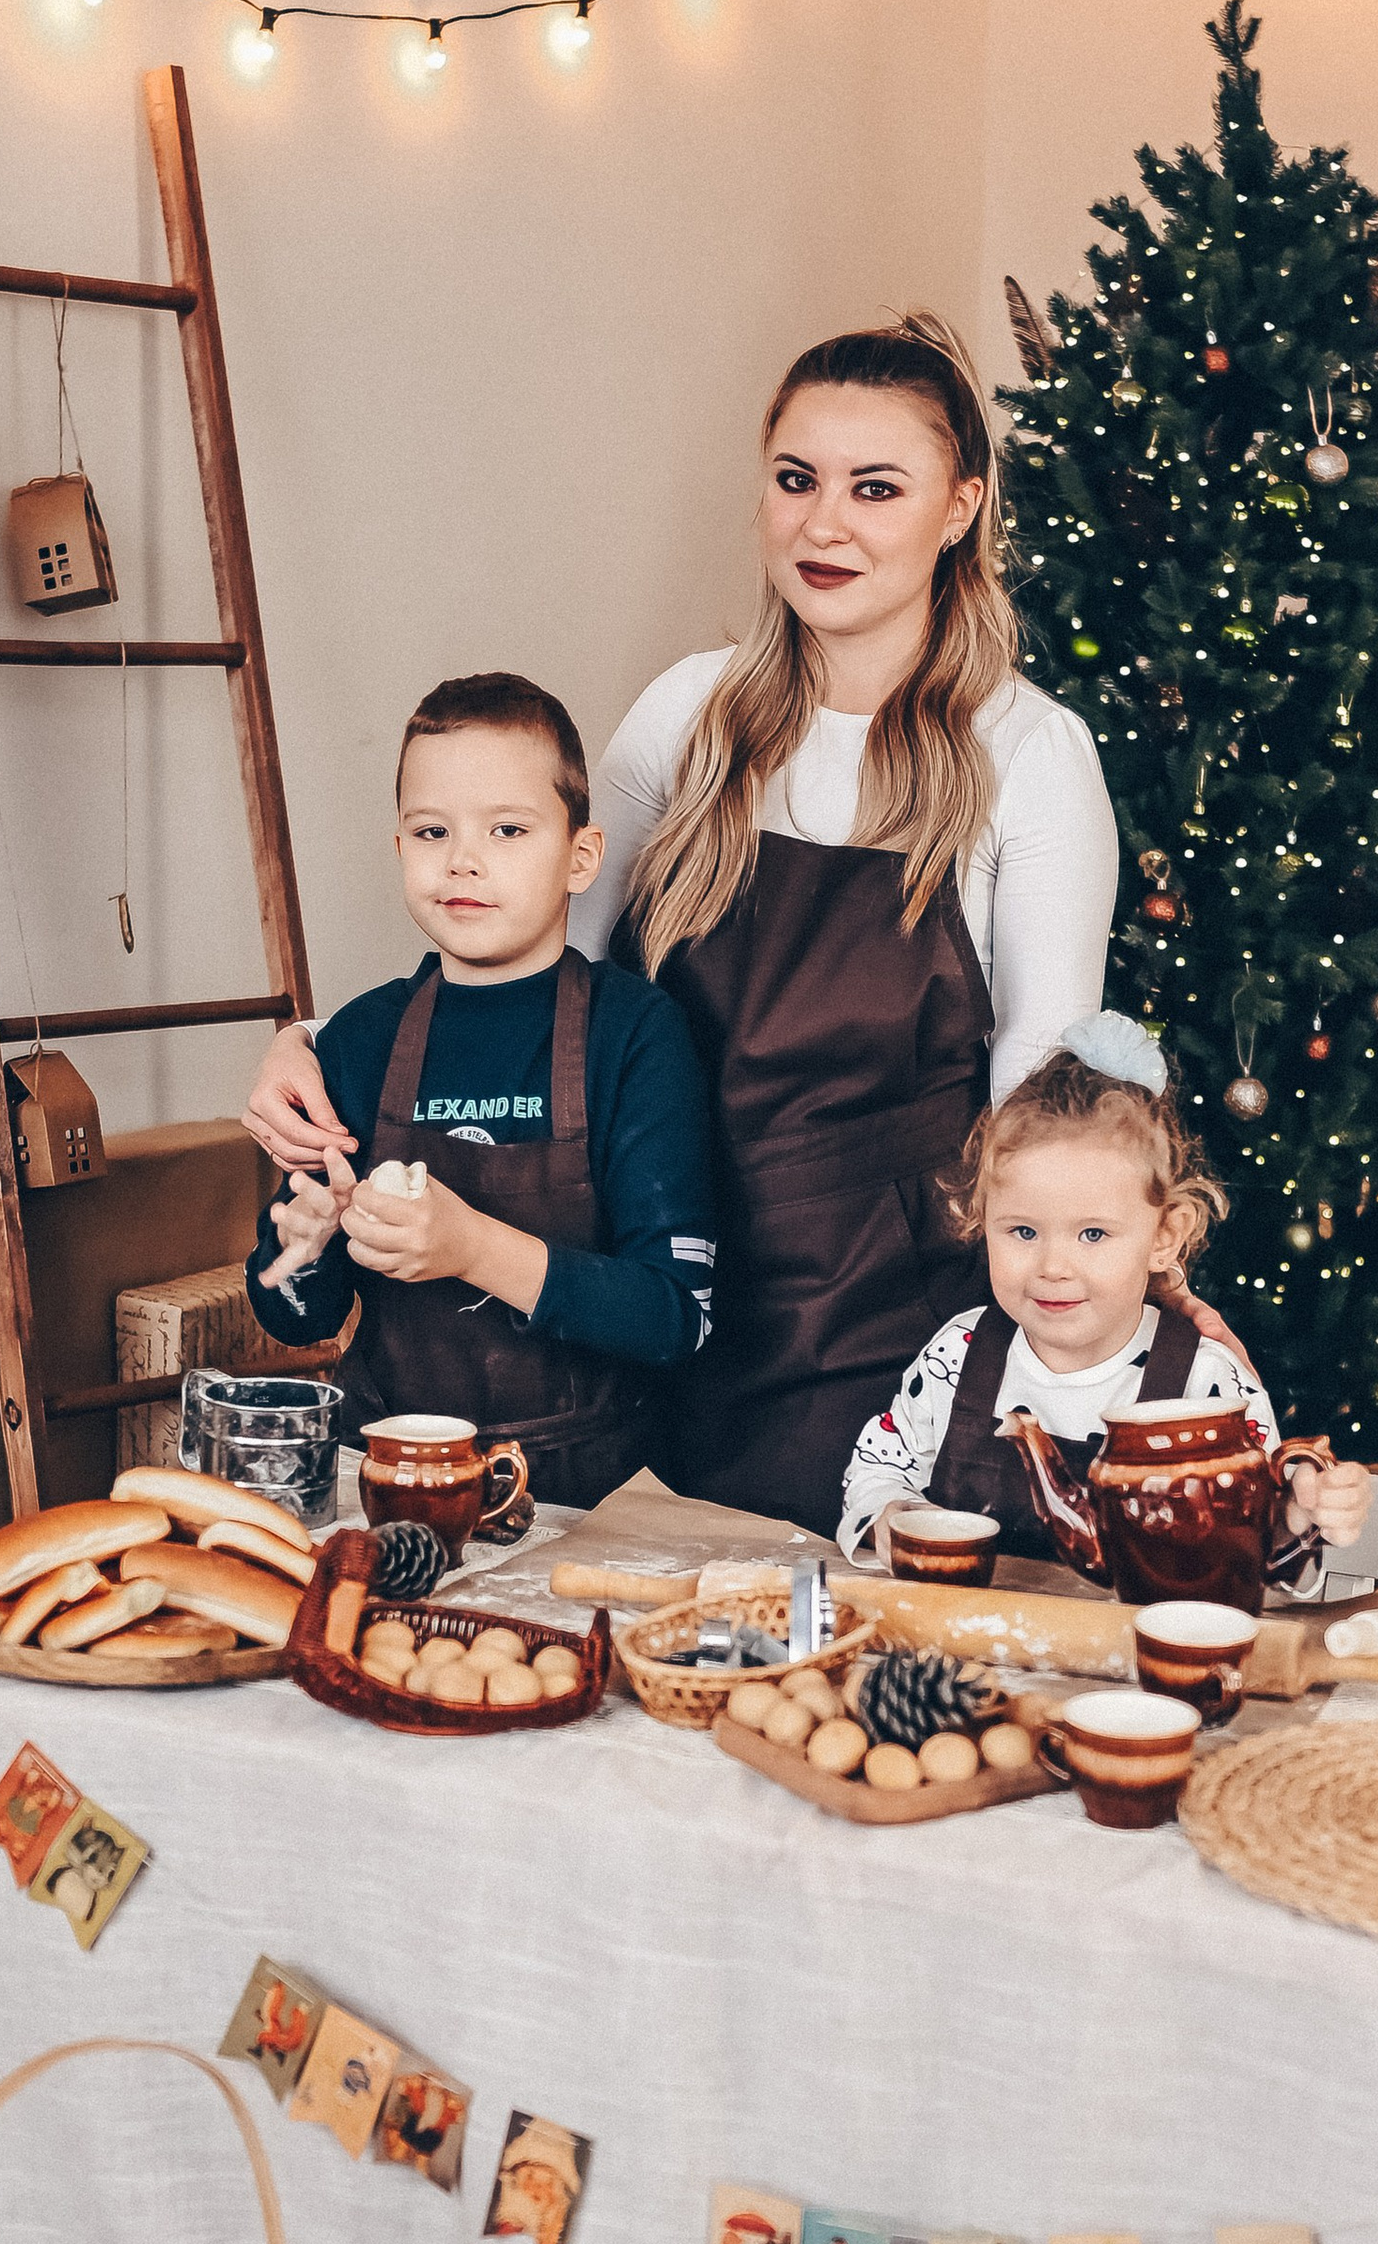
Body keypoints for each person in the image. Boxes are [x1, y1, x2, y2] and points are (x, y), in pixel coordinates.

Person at [244, 316, 1118, 1538]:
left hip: (878, 1339)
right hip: (638, 1316)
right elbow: (535, 959)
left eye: (878, 488)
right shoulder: (687, 715)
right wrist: (321, 1040)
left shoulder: (1026, 754)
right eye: (795, 479)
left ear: (961, 506)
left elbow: (1041, 1081)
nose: (825, 525)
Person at [242, 672, 716, 1506]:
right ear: (398, 847)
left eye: (507, 828)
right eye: (432, 830)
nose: (463, 859)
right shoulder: (358, 1040)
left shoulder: (635, 1033)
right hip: (389, 1482)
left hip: (586, 1498)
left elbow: (677, 1317)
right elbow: (295, 1316)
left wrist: (472, 1249)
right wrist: (300, 1252)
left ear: (581, 857)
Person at [837, 1013, 1378, 1572]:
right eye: (1023, 1231)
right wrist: (893, 1515)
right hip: (962, 1651)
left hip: (1130, 1655)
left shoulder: (1208, 1383)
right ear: (981, 1219)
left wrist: (1299, 1510)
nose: (1052, 1267)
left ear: (1164, 1237)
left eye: (1092, 1234)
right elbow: (880, 1467)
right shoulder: (960, 1352)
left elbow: (1255, 1551)